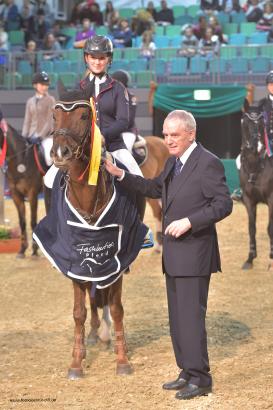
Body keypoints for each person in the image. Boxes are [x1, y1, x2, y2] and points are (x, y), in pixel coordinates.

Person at [105, 109, 233, 400]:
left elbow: (223, 204)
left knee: (191, 319)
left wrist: (191, 221)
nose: (169, 140)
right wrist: (120, 174)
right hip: (174, 256)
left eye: (174, 135)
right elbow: (152, 187)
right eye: (165, 135)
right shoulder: (174, 162)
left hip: (195, 254)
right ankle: (186, 371)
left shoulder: (208, 163)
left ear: (191, 133)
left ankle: (201, 379)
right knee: (177, 320)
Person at [22, 71, 55, 168]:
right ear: (35, 85)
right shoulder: (30, 101)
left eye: (46, 85)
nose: (45, 87)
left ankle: (50, 179)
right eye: (42, 84)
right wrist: (24, 136)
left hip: (46, 136)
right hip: (31, 135)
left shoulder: (51, 100)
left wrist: (40, 136)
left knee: (49, 158)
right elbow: (27, 121)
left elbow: (50, 121)